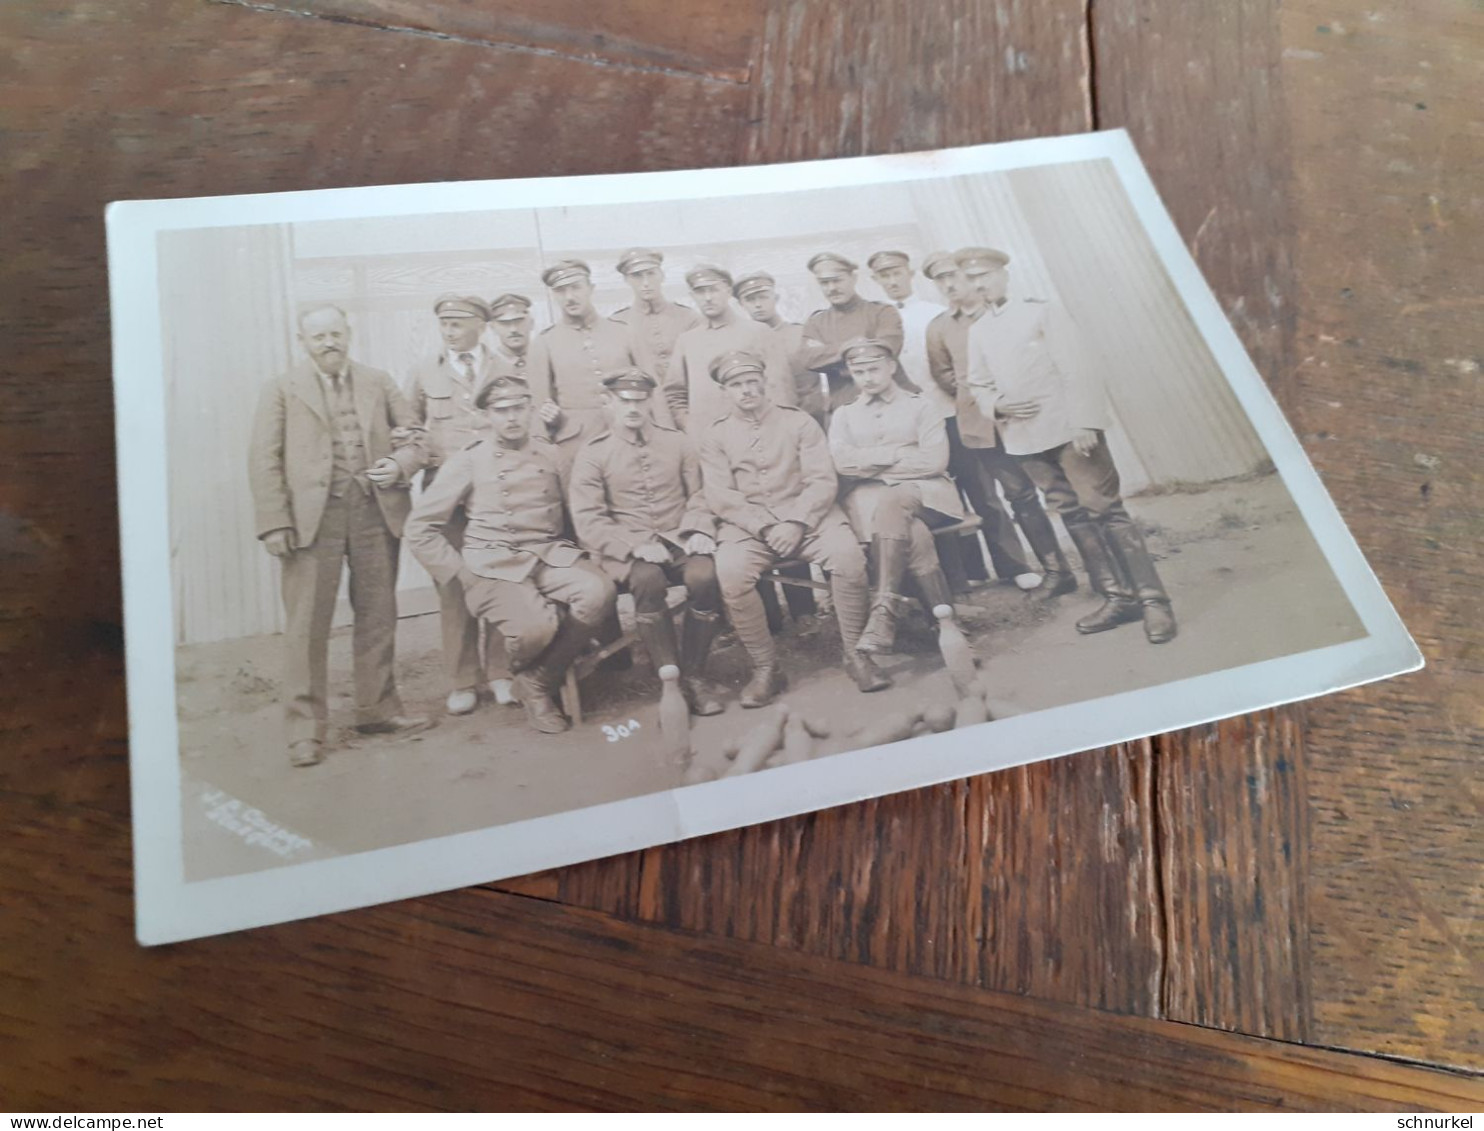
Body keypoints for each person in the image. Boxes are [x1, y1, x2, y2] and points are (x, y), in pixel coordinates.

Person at [962, 248, 1177, 644]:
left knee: (1106, 510)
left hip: (1068, 430)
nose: (979, 285)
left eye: (986, 275)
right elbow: (977, 381)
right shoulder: (978, 330)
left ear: (1004, 275)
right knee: (1072, 514)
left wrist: (1085, 421)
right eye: (972, 279)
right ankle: (1117, 596)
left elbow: (1078, 366)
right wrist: (998, 405)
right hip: (1025, 439)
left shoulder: (1042, 311)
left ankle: (1153, 601)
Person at [248, 303, 431, 767]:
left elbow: (415, 437)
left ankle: (378, 710)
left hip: (374, 513)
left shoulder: (378, 380)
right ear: (303, 342)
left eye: (335, 333)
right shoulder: (281, 390)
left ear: (348, 333)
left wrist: (401, 463)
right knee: (307, 626)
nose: (329, 343)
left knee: (378, 614)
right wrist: (275, 522)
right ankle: (304, 731)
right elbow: (263, 460)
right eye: (318, 337)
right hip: (313, 523)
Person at [404, 373, 619, 734]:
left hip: (548, 554)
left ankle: (537, 683)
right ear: (487, 415)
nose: (512, 417)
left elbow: (572, 512)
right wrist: (460, 573)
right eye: (501, 410)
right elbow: (419, 526)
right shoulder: (469, 459)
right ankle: (542, 674)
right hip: (493, 562)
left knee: (599, 592)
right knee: (534, 629)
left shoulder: (550, 453)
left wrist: (591, 555)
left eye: (519, 408)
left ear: (531, 410)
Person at [698, 349, 889, 706]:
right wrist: (765, 526)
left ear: (764, 383)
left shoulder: (798, 421)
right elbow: (721, 496)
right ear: (725, 391)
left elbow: (821, 479)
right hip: (750, 527)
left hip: (809, 517)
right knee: (731, 571)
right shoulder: (716, 436)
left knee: (847, 558)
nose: (746, 390)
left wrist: (797, 521)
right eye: (736, 385)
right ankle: (766, 669)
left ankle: (857, 655)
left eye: (752, 382)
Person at [568, 370, 724, 716]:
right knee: (647, 580)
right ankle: (670, 678)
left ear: (650, 401)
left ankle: (695, 675)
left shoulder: (678, 442)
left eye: (640, 400)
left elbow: (700, 494)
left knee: (705, 576)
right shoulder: (594, 453)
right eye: (625, 401)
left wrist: (699, 529)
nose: (633, 407)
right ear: (609, 404)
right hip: (627, 546)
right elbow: (588, 519)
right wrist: (633, 546)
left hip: (678, 537)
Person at [923, 250, 1063, 592]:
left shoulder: (1003, 313)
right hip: (983, 424)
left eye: (953, 275)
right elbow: (944, 374)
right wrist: (988, 400)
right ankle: (1053, 570)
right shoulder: (939, 327)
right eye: (940, 280)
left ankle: (1099, 565)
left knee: (1058, 491)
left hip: (1027, 416)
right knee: (1014, 495)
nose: (948, 284)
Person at [405, 293, 508, 716]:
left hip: (495, 493)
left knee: (501, 576)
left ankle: (503, 672)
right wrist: (417, 455)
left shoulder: (505, 369)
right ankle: (463, 679)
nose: (449, 330)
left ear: (481, 326)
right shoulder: (424, 371)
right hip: (446, 497)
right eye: (444, 323)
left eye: (458, 322)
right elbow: (408, 427)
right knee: (453, 585)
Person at [828, 339, 965, 655]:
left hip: (928, 495)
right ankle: (949, 628)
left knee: (894, 501)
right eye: (858, 371)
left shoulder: (921, 406)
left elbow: (934, 461)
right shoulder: (844, 415)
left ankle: (883, 608)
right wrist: (899, 453)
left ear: (891, 367)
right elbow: (842, 464)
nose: (868, 377)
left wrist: (870, 462)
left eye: (874, 369)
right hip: (874, 506)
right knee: (914, 534)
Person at [526, 259, 652, 434]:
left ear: (590, 289)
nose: (569, 297)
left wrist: (665, 437)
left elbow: (654, 392)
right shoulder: (544, 343)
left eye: (576, 287)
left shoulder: (624, 332)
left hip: (628, 437)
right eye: (560, 291)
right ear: (553, 295)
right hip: (576, 443)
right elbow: (539, 409)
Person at [665, 264, 793, 433]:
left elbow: (781, 390)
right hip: (707, 439)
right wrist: (690, 426)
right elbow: (674, 393)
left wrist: (774, 431)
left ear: (728, 291)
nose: (708, 298)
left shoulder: (758, 331)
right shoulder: (687, 341)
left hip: (758, 434)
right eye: (700, 292)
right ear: (692, 296)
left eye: (714, 290)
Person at [797, 251, 917, 418]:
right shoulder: (816, 322)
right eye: (825, 283)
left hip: (894, 406)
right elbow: (808, 358)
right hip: (846, 406)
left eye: (837, 280)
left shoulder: (882, 312)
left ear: (853, 278)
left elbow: (886, 350)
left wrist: (835, 362)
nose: (832, 288)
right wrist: (855, 345)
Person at [866, 250, 952, 420]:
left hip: (944, 402)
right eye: (884, 276)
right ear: (875, 280)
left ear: (910, 274)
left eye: (897, 274)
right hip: (901, 409)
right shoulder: (873, 318)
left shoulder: (937, 313)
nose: (893, 282)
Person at [733, 269, 826, 424]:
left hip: (808, 418)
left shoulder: (801, 333)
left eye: (763, 297)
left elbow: (813, 385)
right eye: (750, 299)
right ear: (741, 304)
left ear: (775, 298)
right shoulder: (741, 343)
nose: (758, 305)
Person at [608, 248, 703, 395]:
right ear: (626, 280)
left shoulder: (689, 318)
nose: (646, 283)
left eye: (651, 274)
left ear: (662, 276)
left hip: (688, 400)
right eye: (637, 276)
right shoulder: (617, 324)